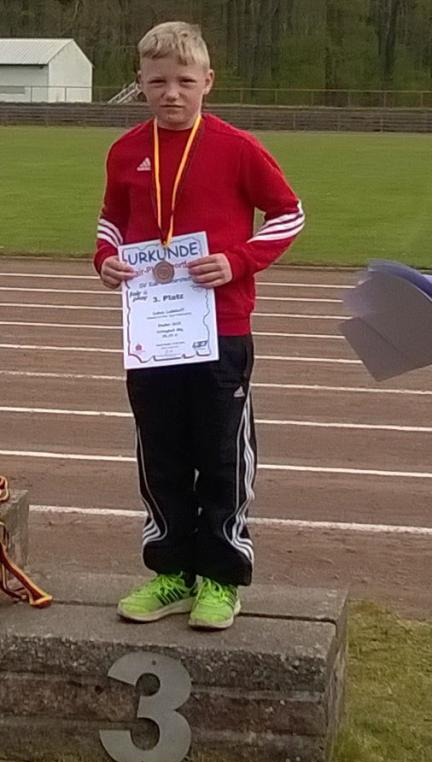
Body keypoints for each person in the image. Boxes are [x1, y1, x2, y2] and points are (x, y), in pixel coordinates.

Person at [93, 20, 305, 630]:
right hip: (152, 330)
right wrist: (105, 258)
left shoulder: (237, 147)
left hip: (221, 326)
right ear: (140, 81)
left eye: (185, 81)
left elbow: (289, 213)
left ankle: (220, 577)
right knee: (160, 453)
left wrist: (238, 259)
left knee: (221, 454)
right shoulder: (125, 151)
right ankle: (172, 572)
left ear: (208, 81)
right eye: (158, 81)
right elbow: (112, 220)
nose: (171, 93)